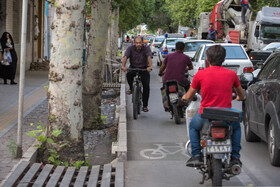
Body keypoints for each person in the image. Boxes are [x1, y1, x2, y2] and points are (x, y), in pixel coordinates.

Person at [182, 45, 246, 167]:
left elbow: (189, 95)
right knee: (237, 127)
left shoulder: (200, 74)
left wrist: (184, 98)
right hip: (226, 115)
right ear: (223, 59)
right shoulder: (232, 74)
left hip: (206, 114)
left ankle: (196, 155)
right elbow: (241, 95)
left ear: (207, 59)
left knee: (193, 127)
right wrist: (240, 97)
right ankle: (235, 157)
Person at [121, 36, 153, 112]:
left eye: (140, 43)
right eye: (137, 43)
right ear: (134, 43)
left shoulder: (146, 48)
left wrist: (150, 66)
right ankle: (131, 88)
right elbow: (125, 57)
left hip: (144, 68)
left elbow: (149, 57)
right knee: (128, 74)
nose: (138, 44)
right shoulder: (130, 48)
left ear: (142, 42)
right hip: (133, 67)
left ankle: (145, 105)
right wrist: (123, 66)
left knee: (146, 86)